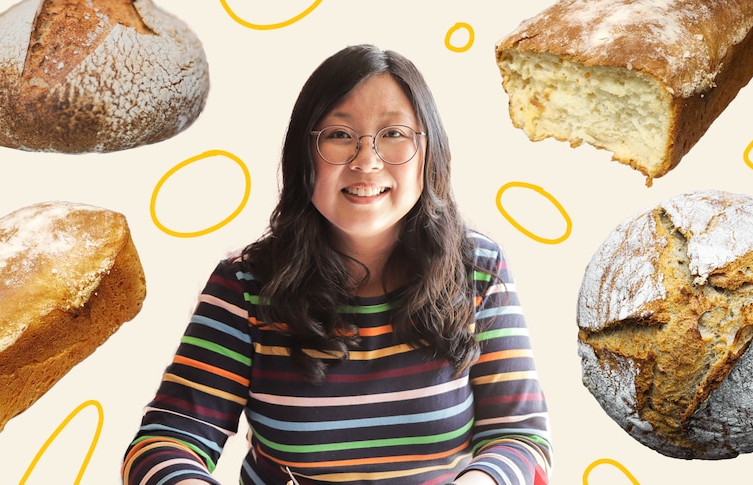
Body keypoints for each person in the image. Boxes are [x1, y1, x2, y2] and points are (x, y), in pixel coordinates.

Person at [122, 44, 552, 485]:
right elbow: (164, 442)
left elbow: (520, 438)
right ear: (303, 155)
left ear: (430, 151)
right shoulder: (246, 285)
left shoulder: (478, 269)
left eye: (394, 134)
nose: (366, 162)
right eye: (339, 135)